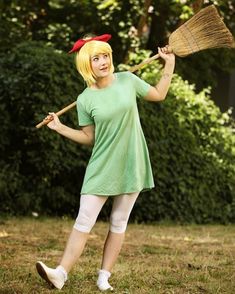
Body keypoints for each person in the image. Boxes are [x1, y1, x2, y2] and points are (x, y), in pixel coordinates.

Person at [36, 33, 175, 291]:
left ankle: (104, 277)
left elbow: (158, 94)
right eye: (96, 58)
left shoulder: (128, 80)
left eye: (106, 56)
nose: (103, 61)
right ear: (86, 65)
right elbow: (89, 137)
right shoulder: (85, 99)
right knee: (84, 219)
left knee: (119, 222)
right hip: (101, 165)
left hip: (132, 162)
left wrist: (169, 65)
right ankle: (60, 274)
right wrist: (60, 127)